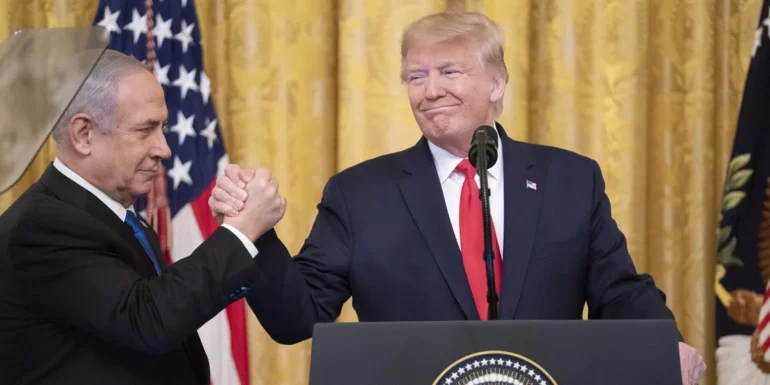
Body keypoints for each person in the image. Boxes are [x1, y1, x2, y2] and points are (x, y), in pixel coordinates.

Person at [211, 11, 705, 383]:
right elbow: (299, 317)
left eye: (449, 71)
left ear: (497, 82)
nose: (429, 91)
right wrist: (254, 234)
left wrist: (665, 344)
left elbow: (620, 292)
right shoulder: (359, 194)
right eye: (416, 76)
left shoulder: (570, 180)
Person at [0, 50, 286, 385]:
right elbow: (149, 320)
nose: (164, 148)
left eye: (162, 128)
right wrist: (240, 231)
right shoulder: (42, 225)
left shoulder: (117, 216)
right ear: (83, 134)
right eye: (145, 129)